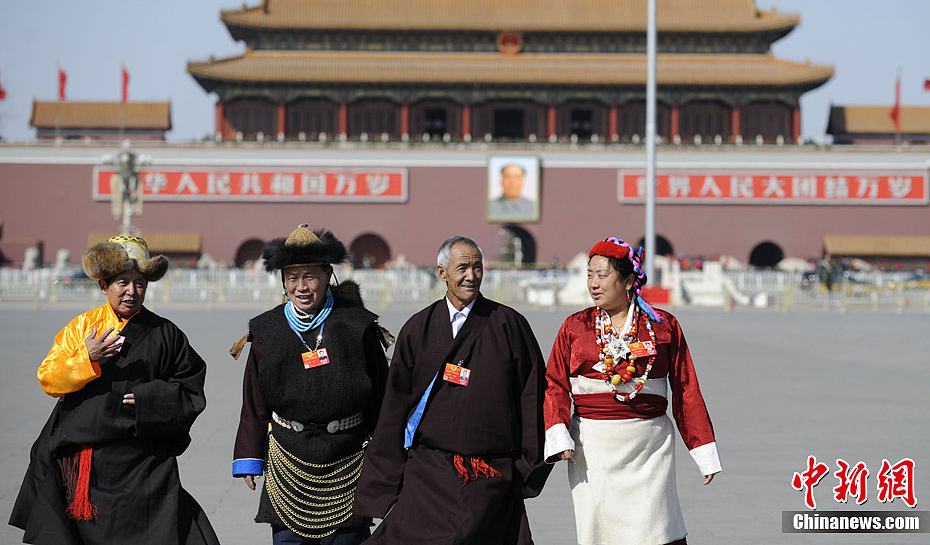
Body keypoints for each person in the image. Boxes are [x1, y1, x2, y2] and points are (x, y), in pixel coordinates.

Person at [9, 235, 219, 545]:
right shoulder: (82, 328)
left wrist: (151, 399)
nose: (132, 291)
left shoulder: (166, 334)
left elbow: (191, 387)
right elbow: (48, 379)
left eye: (140, 284)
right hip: (86, 461)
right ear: (103, 286)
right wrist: (87, 358)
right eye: (123, 282)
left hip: (143, 460)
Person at [354, 235, 551, 544]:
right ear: (442, 272)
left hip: (490, 475)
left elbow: (532, 396)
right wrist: (383, 480)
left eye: (477, 267)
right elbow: (395, 406)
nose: (471, 276)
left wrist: (527, 468)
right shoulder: (418, 328)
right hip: (429, 474)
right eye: (462, 268)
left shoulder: (509, 325)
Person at [544, 237, 721, 545]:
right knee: (600, 531)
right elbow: (554, 384)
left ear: (628, 281)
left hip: (650, 448)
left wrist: (703, 450)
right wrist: (559, 436)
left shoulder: (663, 326)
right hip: (593, 449)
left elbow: (685, 389)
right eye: (590, 275)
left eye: (602, 275)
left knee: (655, 527)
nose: (594, 283)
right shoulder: (575, 327)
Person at [231, 225, 390, 545]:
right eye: (292, 278)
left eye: (310, 277)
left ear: (327, 275)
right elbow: (254, 401)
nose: (301, 287)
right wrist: (249, 456)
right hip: (288, 461)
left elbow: (382, 398)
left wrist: (387, 457)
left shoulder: (357, 325)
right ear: (283, 281)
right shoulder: (266, 330)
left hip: (347, 458)